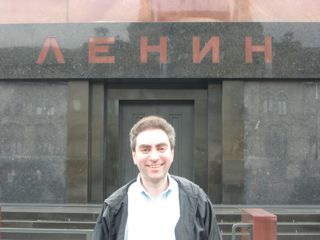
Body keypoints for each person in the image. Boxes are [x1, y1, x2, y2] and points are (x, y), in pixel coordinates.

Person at [93, 115, 222, 240]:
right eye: (145, 149)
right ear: (134, 156)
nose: (154, 157)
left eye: (161, 148)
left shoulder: (197, 200)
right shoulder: (113, 207)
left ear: (172, 153)